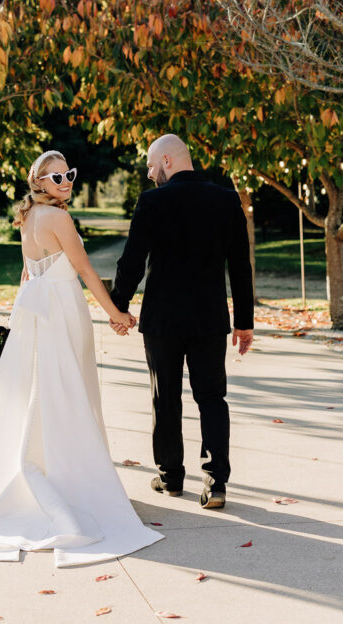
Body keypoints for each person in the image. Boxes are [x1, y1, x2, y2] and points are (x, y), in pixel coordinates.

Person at [0, 150, 163, 567]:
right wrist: (116, 314)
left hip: (37, 312)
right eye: (57, 176)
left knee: (45, 393)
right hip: (62, 312)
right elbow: (83, 270)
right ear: (39, 182)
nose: (66, 181)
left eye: (70, 173)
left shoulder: (28, 218)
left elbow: (27, 274)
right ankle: (74, 482)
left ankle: (53, 470)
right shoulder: (59, 219)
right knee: (67, 392)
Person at [109, 134, 254, 510]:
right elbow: (240, 265)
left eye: (151, 164)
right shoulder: (225, 199)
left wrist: (118, 307)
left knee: (165, 397)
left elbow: (132, 262)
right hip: (209, 318)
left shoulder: (153, 201)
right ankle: (216, 482)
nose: (149, 172)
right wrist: (244, 322)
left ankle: (171, 477)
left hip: (163, 319)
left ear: (168, 161)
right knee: (211, 397)